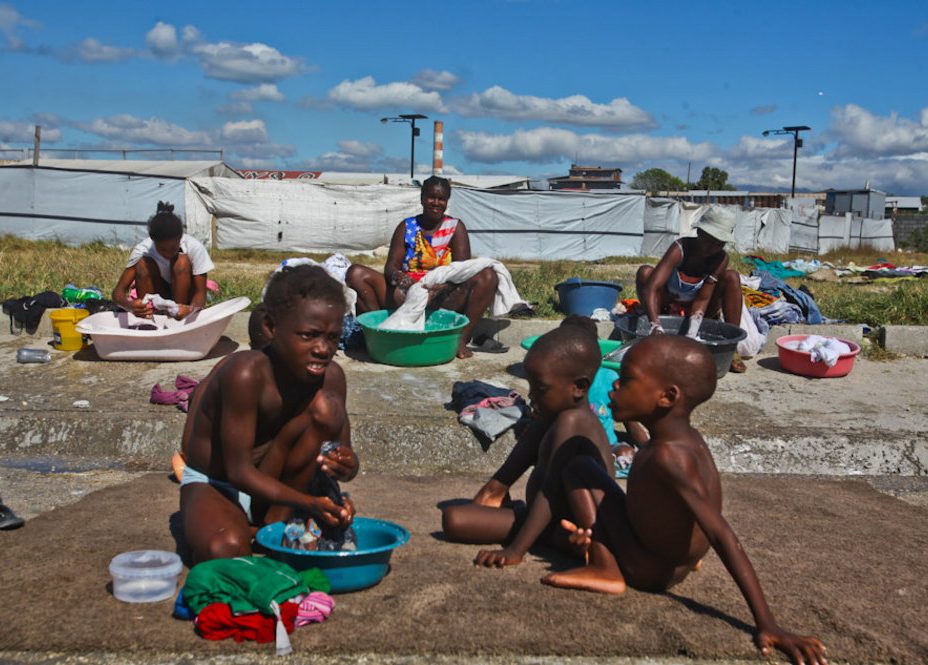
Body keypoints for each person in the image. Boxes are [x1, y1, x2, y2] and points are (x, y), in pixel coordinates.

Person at [541, 335, 827, 665]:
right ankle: (669, 557)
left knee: (577, 468)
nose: (615, 385)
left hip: (649, 568)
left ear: (667, 397)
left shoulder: (668, 457)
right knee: (586, 472)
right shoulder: (682, 438)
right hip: (672, 557)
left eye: (627, 379)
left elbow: (722, 534)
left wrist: (767, 623)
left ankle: (605, 567)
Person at [179, 265, 359, 563]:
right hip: (218, 483)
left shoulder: (332, 378)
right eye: (309, 335)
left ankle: (271, 525)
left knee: (326, 409)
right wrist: (311, 503)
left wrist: (345, 466)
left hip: (280, 488)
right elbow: (238, 472)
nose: (322, 349)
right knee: (228, 549)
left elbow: (344, 459)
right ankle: (254, 526)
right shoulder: (245, 374)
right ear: (271, 327)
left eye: (332, 337)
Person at [441, 323, 614, 566]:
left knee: (459, 520)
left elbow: (549, 493)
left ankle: (544, 536)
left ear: (579, 387)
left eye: (540, 388)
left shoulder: (573, 422)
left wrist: (516, 550)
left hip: (569, 528)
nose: (531, 395)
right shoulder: (556, 416)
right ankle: (500, 497)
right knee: (454, 519)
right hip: (545, 522)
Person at [383, 175, 500, 358]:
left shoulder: (455, 228)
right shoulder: (407, 227)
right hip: (407, 294)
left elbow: (462, 272)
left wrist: (441, 288)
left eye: (442, 199)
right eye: (431, 197)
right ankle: (384, 335)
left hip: (443, 297)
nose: (436, 203)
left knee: (488, 276)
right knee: (357, 273)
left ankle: (460, 341)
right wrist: (400, 277)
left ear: (447, 201)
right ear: (422, 198)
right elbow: (390, 266)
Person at [635, 205, 746, 373]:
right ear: (699, 232)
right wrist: (655, 325)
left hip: (700, 310)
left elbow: (702, 299)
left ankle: (731, 347)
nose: (712, 247)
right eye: (709, 240)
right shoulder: (680, 249)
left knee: (732, 277)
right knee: (645, 272)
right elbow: (652, 287)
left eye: (719, 244)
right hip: (668, 305)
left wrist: (691, 335)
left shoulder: (720, 259)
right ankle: (656, 330)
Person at [112, 201, 214, 319]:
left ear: (180, 238)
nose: (168, 253)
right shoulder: (142, 250)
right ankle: (151, 315)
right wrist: (129, 306)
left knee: (181, 262)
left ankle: (177, 315)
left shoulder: (194, 248)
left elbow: (200, 292)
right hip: (159, 295)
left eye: (173, 248)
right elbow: (118, 292)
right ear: (153, 240)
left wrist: (191, 309)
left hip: (185, 301)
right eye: (162, 249)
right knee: (143, 264)